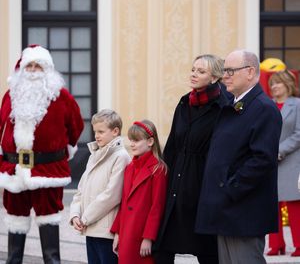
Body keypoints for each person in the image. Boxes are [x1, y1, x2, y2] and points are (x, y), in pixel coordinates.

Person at [195, 49, 282, 264]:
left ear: (251, 72)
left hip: (244, 211)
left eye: (231, 71)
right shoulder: (233, 105)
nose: (225, 76)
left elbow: (262, 159)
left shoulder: (264, 108)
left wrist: (229, 188)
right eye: (225, 71)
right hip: (226, 209)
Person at [0, 45, 84, 263]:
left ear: (48, 70)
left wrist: (65, 148)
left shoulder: (62, 97)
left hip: (48, 171)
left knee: (49, 227)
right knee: (15, 226)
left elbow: (76, 126)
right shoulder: (10, 96)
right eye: (30, 65)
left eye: (39, 66)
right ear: (21, 68)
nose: (34, 70)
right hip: (14, 171)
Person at [154, 54, 228, 264]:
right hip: (175, 186)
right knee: (162, 248)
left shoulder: (223, 107)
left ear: (214, 78)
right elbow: (172, 146)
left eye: (201, 71)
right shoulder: (184, 102)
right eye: (193, 69)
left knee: (207, 252)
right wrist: (162, 177)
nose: (194, 74)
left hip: (202, 189)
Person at [69, 109, 131, 264]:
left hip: (106, 231)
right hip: (90, 228)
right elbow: (81, 190)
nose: (96, 135)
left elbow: (112, 195)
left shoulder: (121, 157)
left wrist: (86, 217)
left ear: (115, 131)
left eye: (101, 131)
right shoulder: (94, 155)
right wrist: (75, 214)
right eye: (95, 131)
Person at [110, 120, 168, 264]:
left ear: (150, 141)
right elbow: (124, 202)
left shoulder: (158, 169)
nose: (132, 144)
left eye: (136, 140)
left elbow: (157, 207)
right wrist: (118, 232)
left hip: (141, 235)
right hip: (126, 233)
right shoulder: (129, 167)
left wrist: (148, 238)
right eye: (130, 140)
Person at [266, 70, 300, 257]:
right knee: (271, 204)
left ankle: (298, 245)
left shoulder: (298, 105)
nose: (273, 87)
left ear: (288, 84)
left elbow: (299, 134)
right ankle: (274, 244)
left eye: (277, 83)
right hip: (269, 162)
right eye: (271, 83)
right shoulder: (267, 106)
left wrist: (279, 151)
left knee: (294, 205)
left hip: (292, 161)